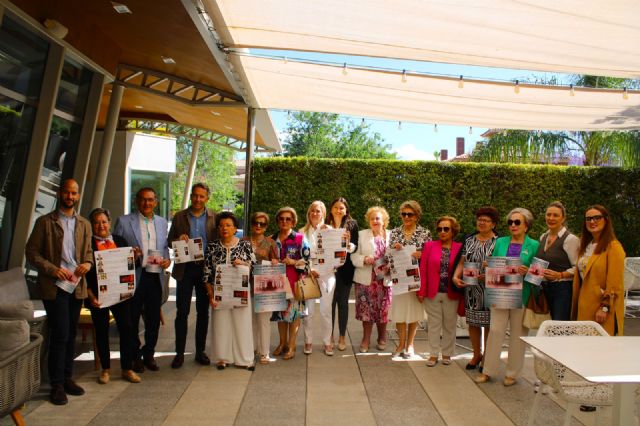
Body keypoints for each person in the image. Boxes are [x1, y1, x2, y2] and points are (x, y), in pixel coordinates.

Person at [25, 179, 93, 405]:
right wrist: (53, 270)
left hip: (76, 286)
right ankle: (56, 385)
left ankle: (67, 378)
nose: (70, 196)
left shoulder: (84, 223)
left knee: (71, 332)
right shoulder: (45, 222)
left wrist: (87, 264)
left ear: (78, 195)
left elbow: (89, 253)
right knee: (60, 333)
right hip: (54, 288)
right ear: (59, 193)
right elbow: (32, 252)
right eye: (67, 192)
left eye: (74, 193)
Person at [476, 208, 539, 386]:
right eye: (510, 222)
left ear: (526, 226)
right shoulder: (500, 242)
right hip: (500, 293)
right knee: (495, 331)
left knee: (518, 335)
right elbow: (493, 264)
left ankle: (512, 374)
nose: (513, 225)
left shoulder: (534, 245)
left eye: (517, 222)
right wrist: (488, 265)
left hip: (522, 295)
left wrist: (527, 271)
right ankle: (488, 371)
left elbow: (538, 275)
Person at [113, 187, 171, 372]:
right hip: (134, 275)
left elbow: (163, 247)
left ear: (155, 202)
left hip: (155, 277)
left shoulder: (162, 223)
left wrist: (167, 260)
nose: (147, 203)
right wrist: (131, 255)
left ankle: (149, 354)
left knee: (153, 320)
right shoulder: (124, 221)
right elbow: (116, 250)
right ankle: (135, 355)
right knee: (131, 319)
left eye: (150, 200)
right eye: (143, 199)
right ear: (137, 201)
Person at [85, 208, 140, 384]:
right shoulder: (87, 244)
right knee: (101, 331)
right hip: (98, 296)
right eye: (97, 222)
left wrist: (135, 257)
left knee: (127, 328)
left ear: (109, 223)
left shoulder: (120, 240)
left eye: (104, 221)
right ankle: (105, 369)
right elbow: (83, 272)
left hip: (120, 294)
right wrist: (89, 294)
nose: (101, 225)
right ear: (92, 225)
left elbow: (129, 266)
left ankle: (127, 368)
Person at [168, 183, 216, 369]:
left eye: (201, 196)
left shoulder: (213, 217)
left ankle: (200, 352)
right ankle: (179, 353)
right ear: (191, 197)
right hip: (185, 269)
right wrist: (177, 240)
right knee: (182, 312)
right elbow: (169, 242)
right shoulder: (180, 216)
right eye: (195, 196)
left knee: (203, 312)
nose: (197, 199)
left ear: (207, 198)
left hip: (205, 269)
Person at [204, 211, 254, 369]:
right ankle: (222, 358)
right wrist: (211, 295)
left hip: (240, 292)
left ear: (235, 228)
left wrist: (243, 264)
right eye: (221, 225)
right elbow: (207, 274)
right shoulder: (212, 246)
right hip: (220, 293)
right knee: (221, 325)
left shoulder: (244, 245)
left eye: (228, 225)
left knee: (242, 324)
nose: (224, 228)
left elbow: (254, 268)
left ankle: (244, 359)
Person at [452, 206, 499, 370]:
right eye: (480, 220)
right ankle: (476, 354)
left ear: (493, 224)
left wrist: (490, 273)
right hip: (471, 288)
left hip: (491, 288)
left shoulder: (499, 241)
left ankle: (487, 356)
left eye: (486, 220)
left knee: (488, 324)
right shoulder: (470, 239)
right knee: (473, 322)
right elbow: (462, 261)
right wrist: (455, 276)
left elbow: (503, 265)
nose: (482, 223)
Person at [572, 205, 625, 336]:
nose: (592, 221)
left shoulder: (614, 247)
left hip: (601, 310)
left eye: (597, 218)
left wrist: (605, 307)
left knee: (601, 352)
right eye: (588, 219)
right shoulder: (586, 246)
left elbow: (615, 283)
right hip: (584, 306)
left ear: (606, 220)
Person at [388, 201, 431, 358]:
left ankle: (410, 344)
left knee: (413, 312)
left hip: (415, 278)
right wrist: (394, 249)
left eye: (410, 214)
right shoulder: (394, 232)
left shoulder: (425, 233)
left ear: (416, 216)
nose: (406, 217)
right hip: (399, 279)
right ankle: (400, 344)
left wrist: (422, 255)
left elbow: (430, 255)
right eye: (403, 214)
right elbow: (389, 254)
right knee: (399, 312)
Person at [417, 216, 462, 367]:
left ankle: (447, 354)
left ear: (453, 231)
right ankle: (433, 354)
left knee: (450, 324)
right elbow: (423, 270)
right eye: (439, 229)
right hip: (433, 292)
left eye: (446, 229)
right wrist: (421, 291)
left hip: (452, 292)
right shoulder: (429, 246)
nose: (442, 232)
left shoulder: (460, 248)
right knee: (434, 324)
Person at [271, 207, 310, 360]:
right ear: (277, 221)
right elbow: (260, 259)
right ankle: (282, 343)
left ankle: (292, 345)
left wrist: (293, 262)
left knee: (293, 315)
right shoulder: (271, 239)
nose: (284, 221)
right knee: (280, 314)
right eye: (281, 219)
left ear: (293, 222)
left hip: (295, 283)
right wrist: (270, 261)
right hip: (275, 283)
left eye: (288, 219)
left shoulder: (300, 238)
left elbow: (308, 262)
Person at [300, 201, 338, 356]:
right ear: (309, 214)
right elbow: (300, 255)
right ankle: (308, 341)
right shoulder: (302, 232)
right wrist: (310, 269)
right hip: (309, 276)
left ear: (323, 213)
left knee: (325, 311)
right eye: (312, 211)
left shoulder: (330, 230)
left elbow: (340, 252)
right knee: (308, 311)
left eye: (318, 211)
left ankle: (327, 342)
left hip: (327, 275)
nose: (315, 214)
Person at [351, 206, 392, 353]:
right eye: (372, 218)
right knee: (366, 311)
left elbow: (399, 257)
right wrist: (364, 259)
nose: (375, 221)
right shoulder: (361, 235)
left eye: (378, 218)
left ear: (384, 221)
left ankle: (382, 337)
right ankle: (366, 339)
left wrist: (391, 265)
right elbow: (353, 257)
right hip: (366, 280)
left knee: (384, 310)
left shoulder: (392, 235)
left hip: (385, 280)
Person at [534, 201, 579, 321]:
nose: (551, 218)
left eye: (555, 215)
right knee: (547, 328)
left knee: (559, 327)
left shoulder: (570, 239)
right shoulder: (543, 237)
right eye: (548, 215)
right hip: (544, 289)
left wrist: (560, 274)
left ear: (563, 218)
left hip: (562, 290)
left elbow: (578, 267)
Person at [245, 212, 279, 364]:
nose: (258, 226)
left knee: (264, 320)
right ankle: (251, 349)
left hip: (265, 286)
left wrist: (274, 262)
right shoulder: (243, 241)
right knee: (250, 320)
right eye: (255, 222)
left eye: (262, 224)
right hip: (245, 285)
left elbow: (276, 261)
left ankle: (264, 352)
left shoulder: (270, 242)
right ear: (251, 224)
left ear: (266, 227)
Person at [326, 198, 358, 351]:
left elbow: (355, 247)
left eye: (342, 208)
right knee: (329, 303)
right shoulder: (325, 225)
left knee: (343, 303)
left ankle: (342, 337)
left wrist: (349, 243)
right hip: (327, 269)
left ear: (346, 210)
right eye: (336, 207)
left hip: (345, 269)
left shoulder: (352, 225)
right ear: (331, 209)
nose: (339, 210)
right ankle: (330, 336)